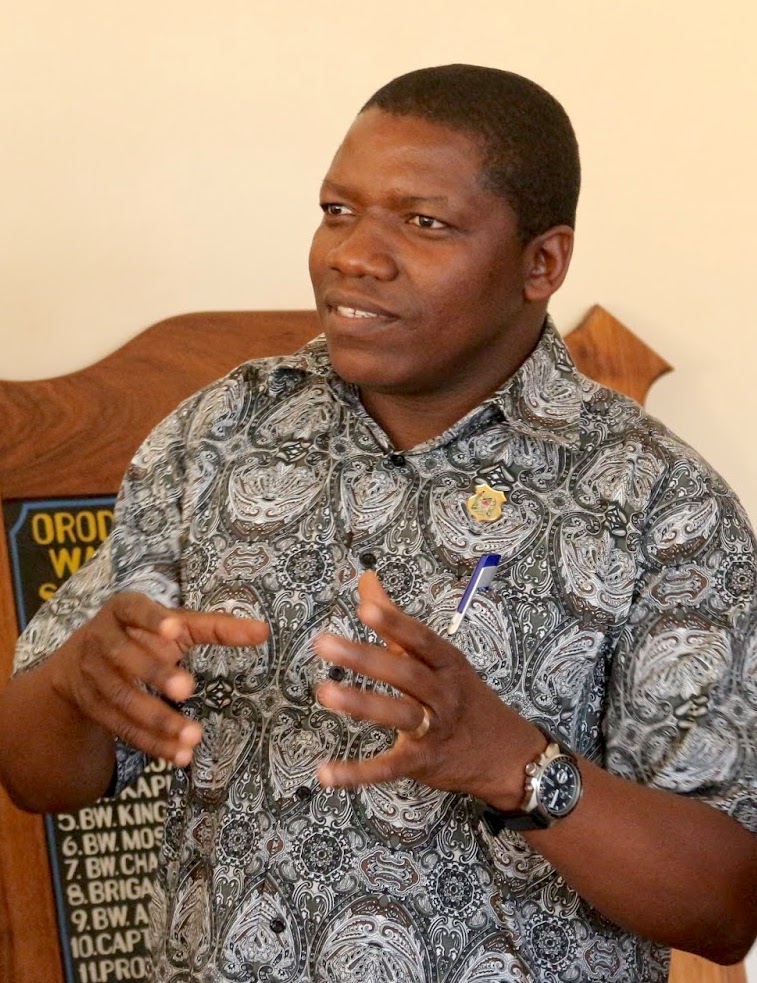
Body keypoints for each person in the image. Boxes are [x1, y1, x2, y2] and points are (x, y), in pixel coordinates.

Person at [1, 63, 756, 983]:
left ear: (541, 263)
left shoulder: (658, 503)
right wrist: (75, 682)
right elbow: (37, 777)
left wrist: (515, 763)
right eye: (336, 210)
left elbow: (726, 906)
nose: (354, 254)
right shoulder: (217, 432)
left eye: (423, 222)